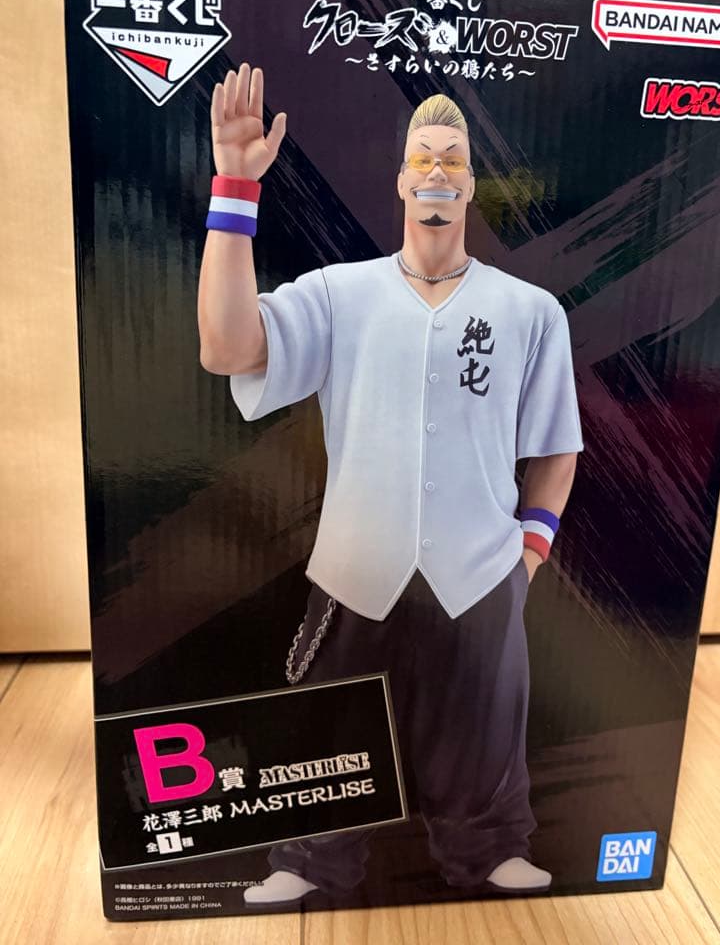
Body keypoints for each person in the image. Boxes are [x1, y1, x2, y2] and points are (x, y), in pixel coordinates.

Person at [198, 62, 583, 904]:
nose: (437, 172)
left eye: (453, 159)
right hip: (356, 565)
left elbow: (557, 446)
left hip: (482, 565)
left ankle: (489, 848)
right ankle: (308, 858)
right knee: (333, 717)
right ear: (400, 179)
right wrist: (235, 185)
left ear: (472, 184)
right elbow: (226, 349)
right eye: (422, 158)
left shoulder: (529, 311)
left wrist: (530, 552)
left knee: (484, 718)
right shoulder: (340, 294)